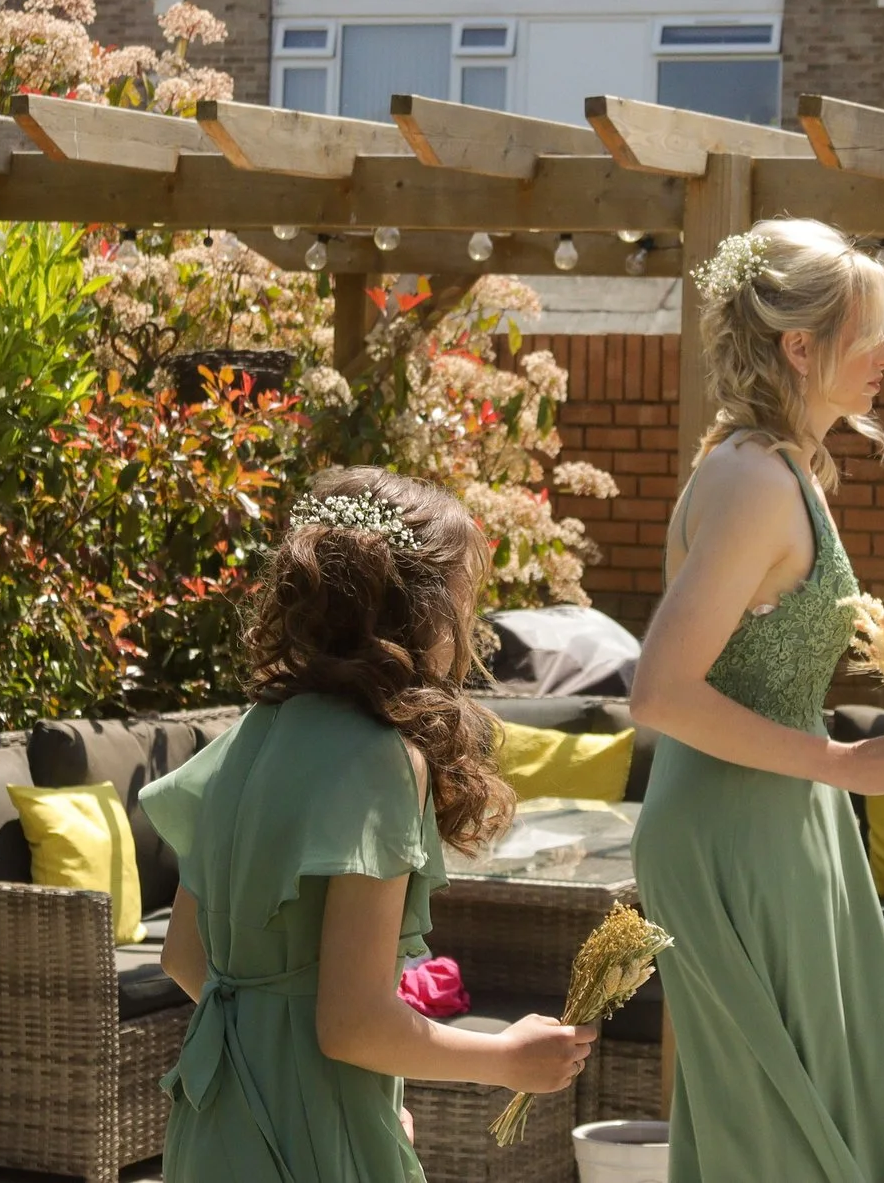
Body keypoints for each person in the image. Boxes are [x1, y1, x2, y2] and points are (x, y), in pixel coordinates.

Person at [143, 466, 596, 1182]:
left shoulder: (251, 732)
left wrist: (326, 1075)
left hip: (215, 1122)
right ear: (418, 612)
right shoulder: (386, 758)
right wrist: (505, 1057)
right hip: (313, 1142)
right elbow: (351, 1023)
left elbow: (185, 957)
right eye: (463, 597)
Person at [627, 217, 884, 1183]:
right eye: (871, 335)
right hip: (735, 832)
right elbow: (659, 690)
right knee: (776, 1128)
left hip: (789, 822)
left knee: (825, 1104)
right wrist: (846, 765)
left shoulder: (787, 468)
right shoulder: (753, 479)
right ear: (800, 346)